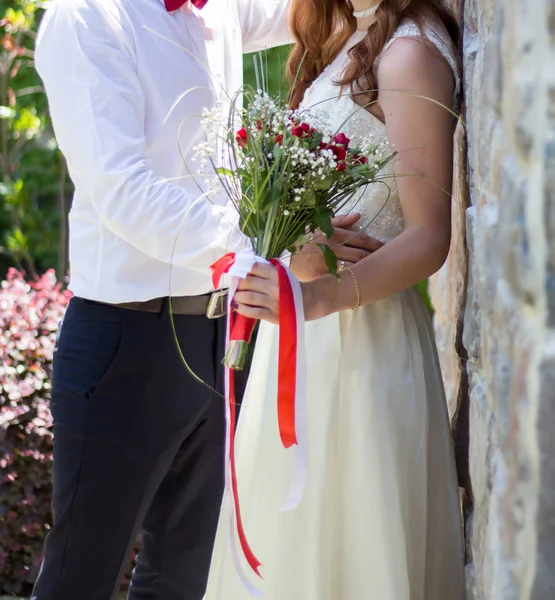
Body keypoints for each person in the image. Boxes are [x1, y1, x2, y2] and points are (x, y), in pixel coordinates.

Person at [32, 1, 382, 598]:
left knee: (185, 577)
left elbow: (317, 9)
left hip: (223, 338)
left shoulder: (218, 9)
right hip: (125, 344)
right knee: (80, 578)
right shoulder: (86, 17)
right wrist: (273, 241)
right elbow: (124, 192)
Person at [204, 1, 466, 599]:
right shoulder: (353, 35)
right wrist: (289, 247)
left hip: (361, 348)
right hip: (301, 335)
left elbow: (429, 237)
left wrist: (320, 296)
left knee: (349, 548)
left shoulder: (410, 52)